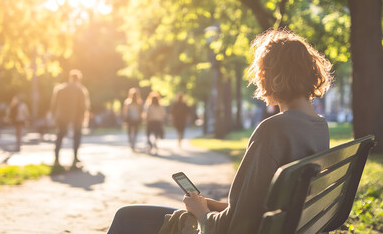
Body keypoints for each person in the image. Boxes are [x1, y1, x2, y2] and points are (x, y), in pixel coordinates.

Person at [107, 28, 333, 234]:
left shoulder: (273, 130)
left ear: (270, 76)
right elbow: (257, 208)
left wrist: (202, 213)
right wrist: (213, 207)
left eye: (261, 73)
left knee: (127, 217)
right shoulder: (319, 126)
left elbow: (235, 228)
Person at [50, 69, 90, 167]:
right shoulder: (80, 90)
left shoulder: (60, 89)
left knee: (60, 136)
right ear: (79, 79)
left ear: (70, 78)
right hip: (75, 118)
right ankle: (75, 158)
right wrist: (83, 118)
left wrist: (54, 116)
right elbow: (84, 106)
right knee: (77, 137)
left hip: (61, 117)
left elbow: (53, 105)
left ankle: (56, 158)